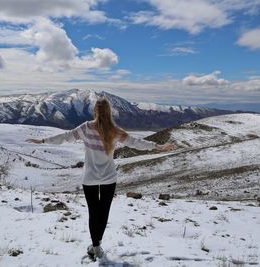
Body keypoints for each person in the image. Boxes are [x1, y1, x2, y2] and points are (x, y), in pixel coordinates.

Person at [26, 97, 175, 260]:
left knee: (93, 213)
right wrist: (157, 146)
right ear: (109, 112)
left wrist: (42, 140)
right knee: (103, 213)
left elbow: (66, 136)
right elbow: (136, 143)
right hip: (109, 178)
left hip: (89, 178)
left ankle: (95, 246)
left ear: (94, 111)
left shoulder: (86, 128)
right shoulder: (115, 131)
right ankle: (97, 246)